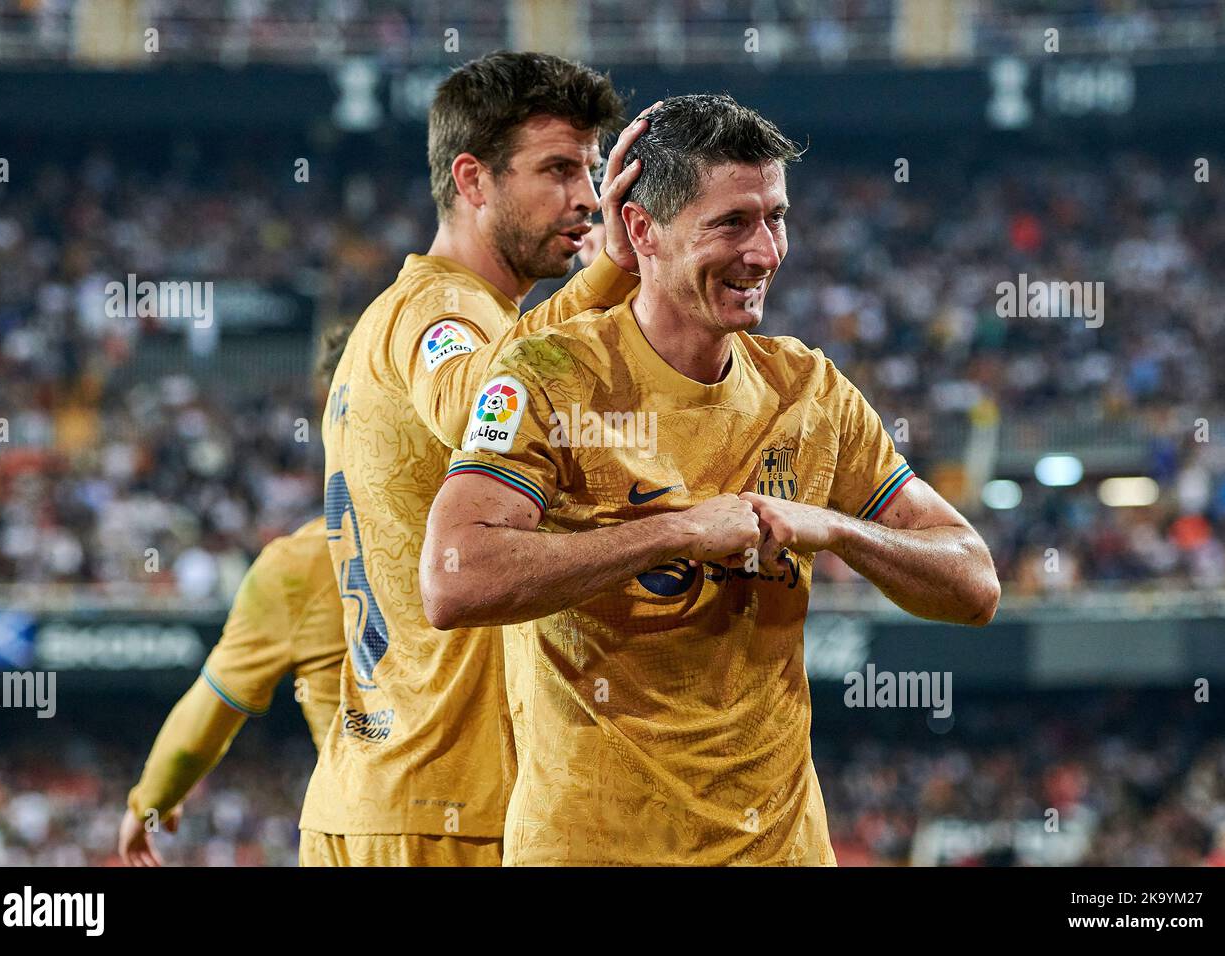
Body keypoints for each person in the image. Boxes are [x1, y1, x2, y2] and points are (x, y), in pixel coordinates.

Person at [420, 93, 1001, 865]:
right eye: (731, 223)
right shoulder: (552, 373)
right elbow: (453, 579)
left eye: (776, 217)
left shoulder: (809, 390)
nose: (764, 251)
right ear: (641, 231)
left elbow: (973, 582)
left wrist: (834, 528)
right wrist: (680, 531)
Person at [298, 51, 656, 866]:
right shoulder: (443, 314)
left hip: (390, 797)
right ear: (473, 179)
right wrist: (608, 274)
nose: (589, 199)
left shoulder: (410, 314)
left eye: (593, 169)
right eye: (558, 169)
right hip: (444, 810)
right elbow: (478, 405)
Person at [118, 320, 354, 867]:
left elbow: (205, 719)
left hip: (367, 839)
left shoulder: (301, 563)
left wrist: (149, 802)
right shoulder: (508, 537)